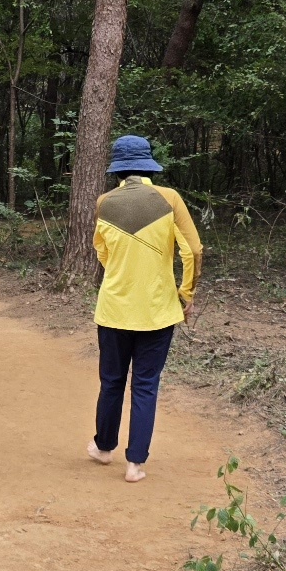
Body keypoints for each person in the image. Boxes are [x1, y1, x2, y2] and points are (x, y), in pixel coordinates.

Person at [86, 135, 203, 483]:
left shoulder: (105, 202)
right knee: (146, 384)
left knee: (111, 382)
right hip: (158, 310)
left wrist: (121, 268)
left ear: (118, 169)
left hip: (114, 310)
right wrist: (186, 293)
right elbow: (193, 250)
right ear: (148, 164)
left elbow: (102, 251)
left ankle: (103, 449)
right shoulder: (169, 199)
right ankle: (135, 464)